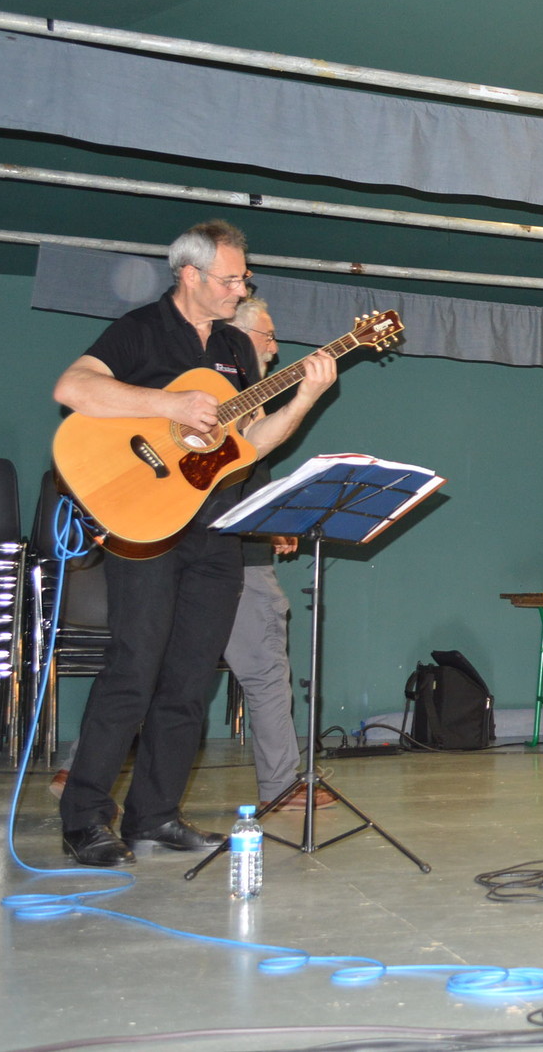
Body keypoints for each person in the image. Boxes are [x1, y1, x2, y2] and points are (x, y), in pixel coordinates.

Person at [53, 221, 336, 866]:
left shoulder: (237, 347)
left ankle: (153, 817)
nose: (243, 288)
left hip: (216, 530)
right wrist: (168, 405)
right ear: (191, 275)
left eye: (244, 278)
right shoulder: (140, 330)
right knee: (134, 667)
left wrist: (307, 399)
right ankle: (85, 817)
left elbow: (251, 443)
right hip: (147, 527)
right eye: (232, 278)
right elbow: (73, 388)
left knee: (187, 682)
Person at [225, 298, 336, 810]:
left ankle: (79, 772)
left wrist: (269, 528)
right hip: (233, 565)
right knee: (267, 673)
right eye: (267, 336)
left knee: (158, 669)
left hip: (236, 550)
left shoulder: (244, 400)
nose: (274, 346)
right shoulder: (220, 396)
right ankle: (282, 788)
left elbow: (237, 475)